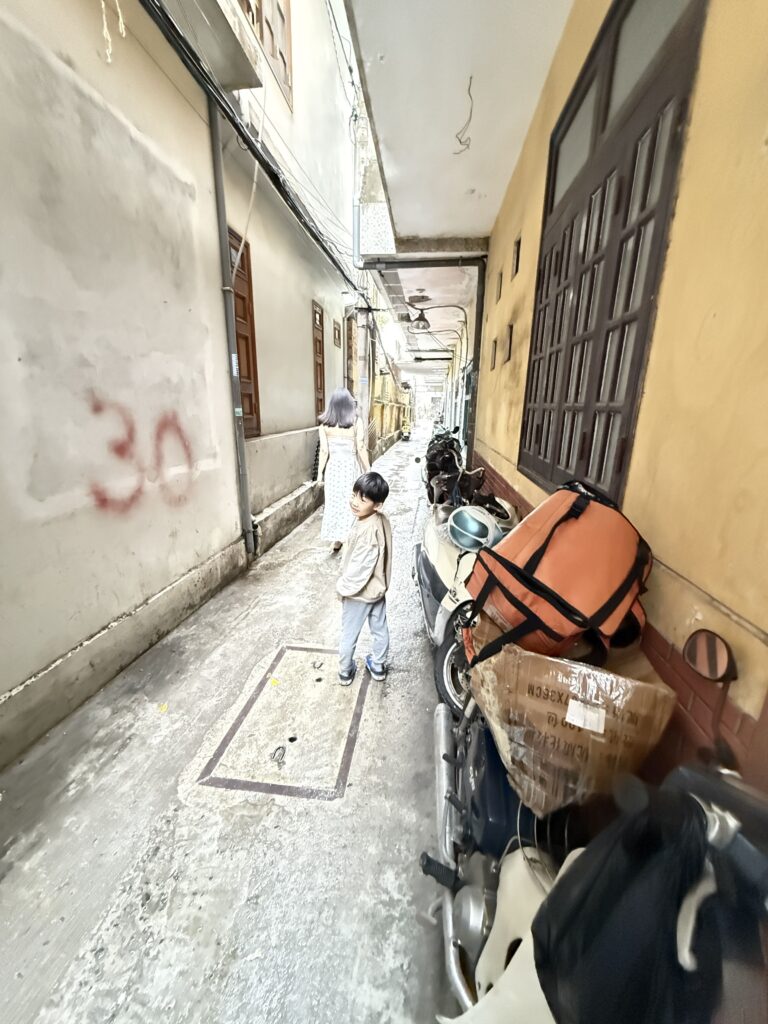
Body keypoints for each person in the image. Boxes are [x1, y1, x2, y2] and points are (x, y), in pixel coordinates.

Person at [336, 471, 392, 685]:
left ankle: (345, 670)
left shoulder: (367, 531)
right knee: (380, 629)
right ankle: (378, 666)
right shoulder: (379, 520)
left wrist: (343, 588)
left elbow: (360, 568)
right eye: (354, 495)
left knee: (349, 634)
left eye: (363, 499)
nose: (355, 502)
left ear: (376, 505)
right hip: (378, 589)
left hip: (358, 594)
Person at [317, 388, 370, 553]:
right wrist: (368, 469)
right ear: (349, 405)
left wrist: (319, 475)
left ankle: (337, 540)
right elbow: (361, 447)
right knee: (352, 503)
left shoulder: (324, 425)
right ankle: (348, 539)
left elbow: (324, 451)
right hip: (349, 468)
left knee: (334, 504)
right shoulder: (356, 422)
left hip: (333, 470)